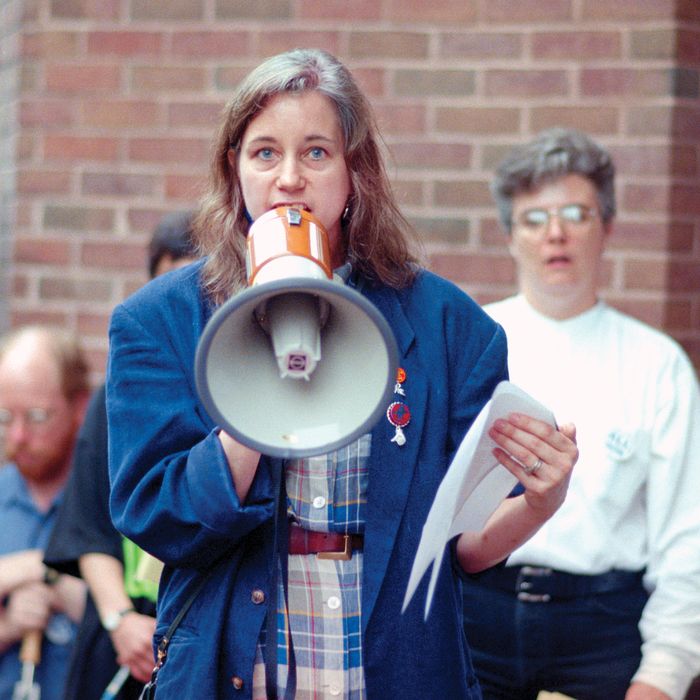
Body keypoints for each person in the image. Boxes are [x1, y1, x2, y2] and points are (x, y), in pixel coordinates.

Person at [106, 48, 578, 700]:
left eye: (317, 153)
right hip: (238, 666)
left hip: (394, 662)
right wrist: (255, 405)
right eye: (265, 152)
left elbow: (464, 545)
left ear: (356, 173)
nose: (290, 178)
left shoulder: (446, 325)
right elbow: (156, 517)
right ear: (233, 170)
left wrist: (540, 502)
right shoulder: (158, 321)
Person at [462, 128, 700, 700]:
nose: (557, 233)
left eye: (576, 213)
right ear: (510, 236)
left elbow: (688, 540)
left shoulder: (655, 363)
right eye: (535, 218)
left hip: (604, 634)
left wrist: (661, 677)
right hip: (473, 619)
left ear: (608, 228)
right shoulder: (471, 343)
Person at [43, 210, 198, 700]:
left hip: (195, 636)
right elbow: (86, 527)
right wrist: (121, 620)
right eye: (165, 286)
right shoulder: (120, 395)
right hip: (117, 640)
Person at [0, 326, 90, 700]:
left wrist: (49, 577)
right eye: (5, 417)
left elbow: (147, 634)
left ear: (79, 407)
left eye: (37, 417)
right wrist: (8, 626)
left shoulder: (109, 504)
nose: (18, 436)